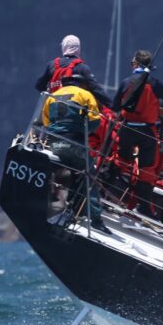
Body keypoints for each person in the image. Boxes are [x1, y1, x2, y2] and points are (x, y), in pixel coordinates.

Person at [112, 50, 163, 217]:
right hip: (146, 130)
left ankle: (103, 188)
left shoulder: (126, 82)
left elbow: (115, 105)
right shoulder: (154, 83)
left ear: (135, 64)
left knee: (121, 160)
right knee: (147, 169)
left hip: (127, 127)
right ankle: (144, 207)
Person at [40, 73, 108, 232]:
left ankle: (60, 209)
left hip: (54, 143)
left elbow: (45, 121)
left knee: (61, 174)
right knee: (88, 175)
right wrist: (85, 132)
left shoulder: (52, 96)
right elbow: (95, 121)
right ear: (81, 83)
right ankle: (95, 219)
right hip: (74, 143)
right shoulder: (85, 94)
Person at [34, 34, 111, 107]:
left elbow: (39, 85)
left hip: (54, 110)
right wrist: (113, 106)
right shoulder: (82, 67)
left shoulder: (51, 65)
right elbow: (97, 90)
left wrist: (49, 91)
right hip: (75, 111)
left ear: (63, 47)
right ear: (78, 48)